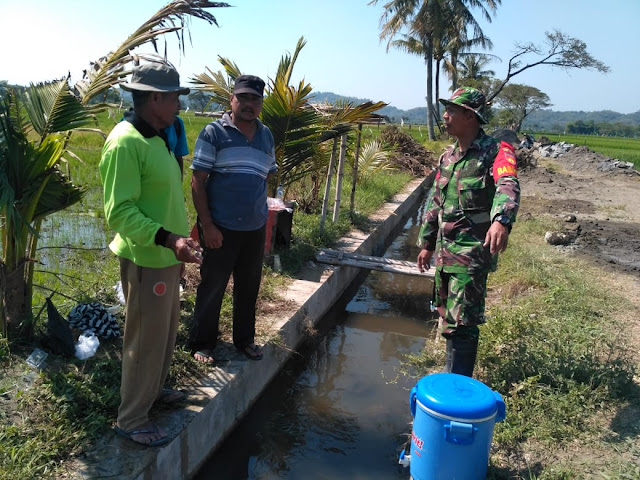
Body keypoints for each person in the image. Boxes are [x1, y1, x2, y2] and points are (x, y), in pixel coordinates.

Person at [99, 62, 203, 446]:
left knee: (163, 333)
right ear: (155, 97)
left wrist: (178, 245)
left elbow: (162, 196)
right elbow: (120, 211)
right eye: (175, 96)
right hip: (146, 257)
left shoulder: (159, 137)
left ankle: (153, 392)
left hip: (166, 256)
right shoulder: (126, 142)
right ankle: (131, 418)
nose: (179, 103)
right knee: (144, 340)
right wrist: (166, 239)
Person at [417, 86, 520, 377]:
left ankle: (458, 390)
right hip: (445, 255)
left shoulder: (496, 151)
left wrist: (501, 220)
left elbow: (507, 184)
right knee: (447, 318)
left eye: (452, 111)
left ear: (470, 116)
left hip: (471, 257)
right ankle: (451, 379)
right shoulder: (447, 157)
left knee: (463, 326)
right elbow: (436, 203)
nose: (445, 116)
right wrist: (426, 244)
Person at [188, 75, 276, 364]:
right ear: (232, 100)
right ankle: (203, 342)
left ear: (261, 103)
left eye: (256, 99)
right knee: (213, 285)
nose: (250, 105)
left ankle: (244, 340)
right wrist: (208, 225)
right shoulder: (214, 133)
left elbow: (263, 179)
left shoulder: (266, 135)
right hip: (221, 226)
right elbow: (198, 181)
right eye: (244, 98)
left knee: (249, 285)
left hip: (254, 226)